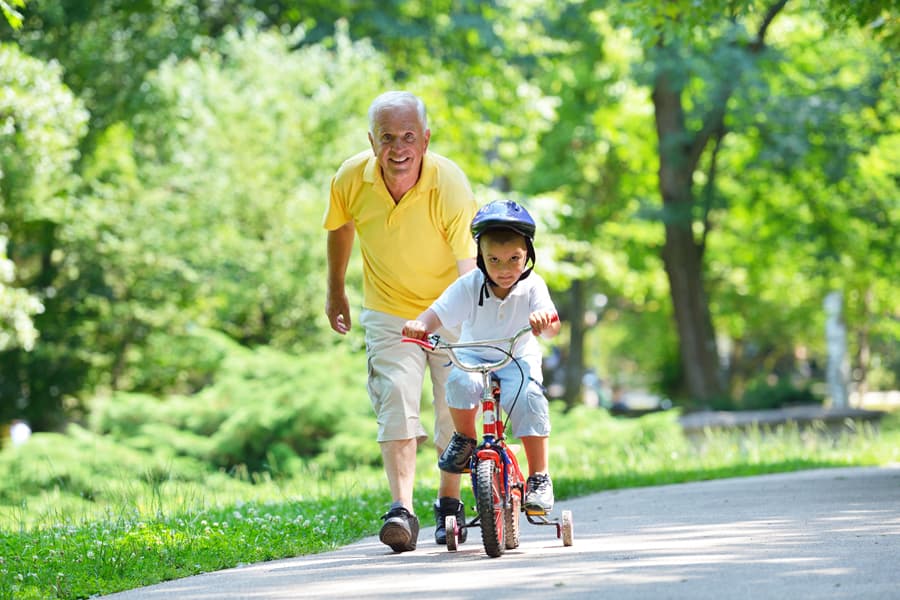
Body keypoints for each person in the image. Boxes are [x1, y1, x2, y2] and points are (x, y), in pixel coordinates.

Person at [323, 91, 478, 553]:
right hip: (389, 309)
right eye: (388, 137)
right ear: (372, 141)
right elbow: (341, 226)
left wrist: (464, 325)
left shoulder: (449, 183)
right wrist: (335, 290)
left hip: (450, 306)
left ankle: (449, 503)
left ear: (425, 139)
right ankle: (401, 510)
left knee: (455, 409)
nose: (398, 148)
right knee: (394, 397)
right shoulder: (352, 177)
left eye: (409, 136)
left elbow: (468, 269)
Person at [402, 200, 561, 513]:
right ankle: (465, 438)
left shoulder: (532, 286)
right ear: (481, 259)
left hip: (518, 357)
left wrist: (546, 322)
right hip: (473, 356)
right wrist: (421, 324)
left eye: (514, 259)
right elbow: (436, 314)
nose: (504, 269)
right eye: (494, 260)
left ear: (527, 254)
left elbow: (553, 327)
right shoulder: (469, 285)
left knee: (529, 397)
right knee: (460, 381)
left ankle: (539, 476)